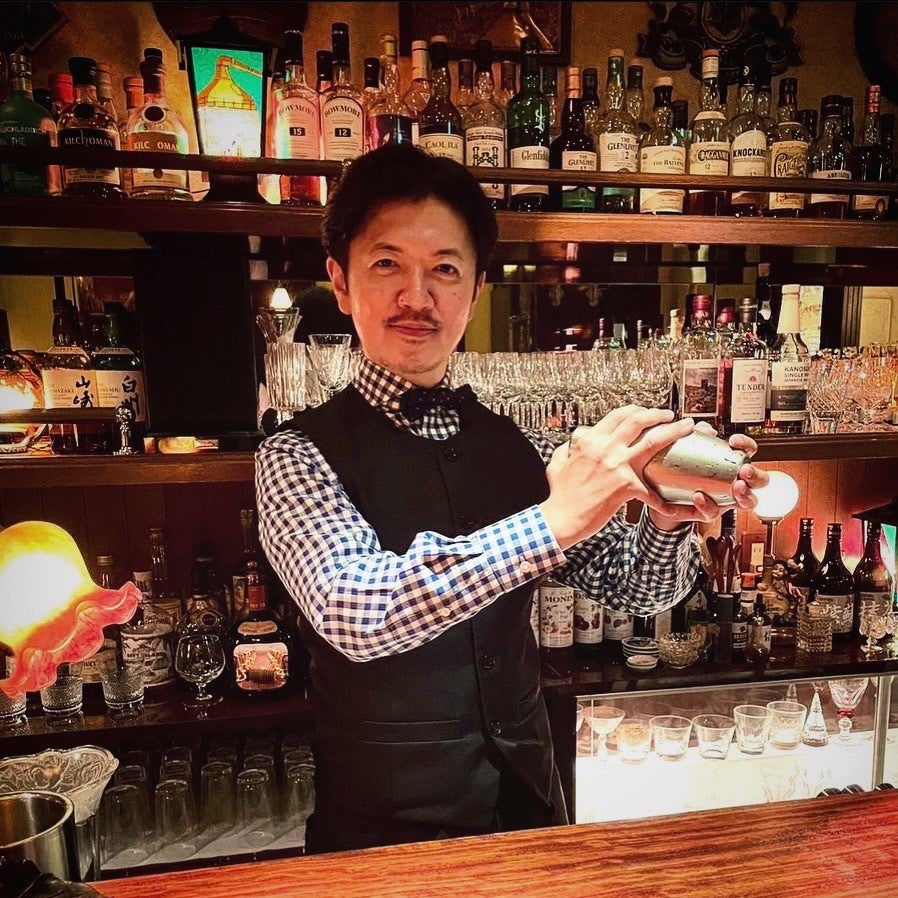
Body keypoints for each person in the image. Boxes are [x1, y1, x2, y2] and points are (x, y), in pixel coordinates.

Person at [255, 143, 767, 854]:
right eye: (387, 264)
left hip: (528, 806)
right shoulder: (295, 454)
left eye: (445, 269)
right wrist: (550, 522)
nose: (417, 297)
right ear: (340, 282)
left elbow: (638, 589)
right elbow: (355, 611)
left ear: (474, 292)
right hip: (383, 836)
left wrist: (665, 519)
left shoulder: (512, 442)